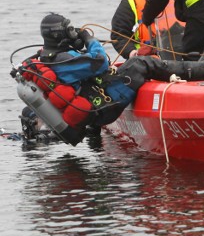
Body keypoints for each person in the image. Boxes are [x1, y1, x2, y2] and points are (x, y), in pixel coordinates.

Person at [17, 13, 139, 145]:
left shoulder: (47, 57)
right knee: (141, 64)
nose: (73, 33)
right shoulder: (63, 59)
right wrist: (89, 39)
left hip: (85, 109)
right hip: (100, 111)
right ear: (58, 34)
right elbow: (100, 62)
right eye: (69, 30)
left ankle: (93, 134)